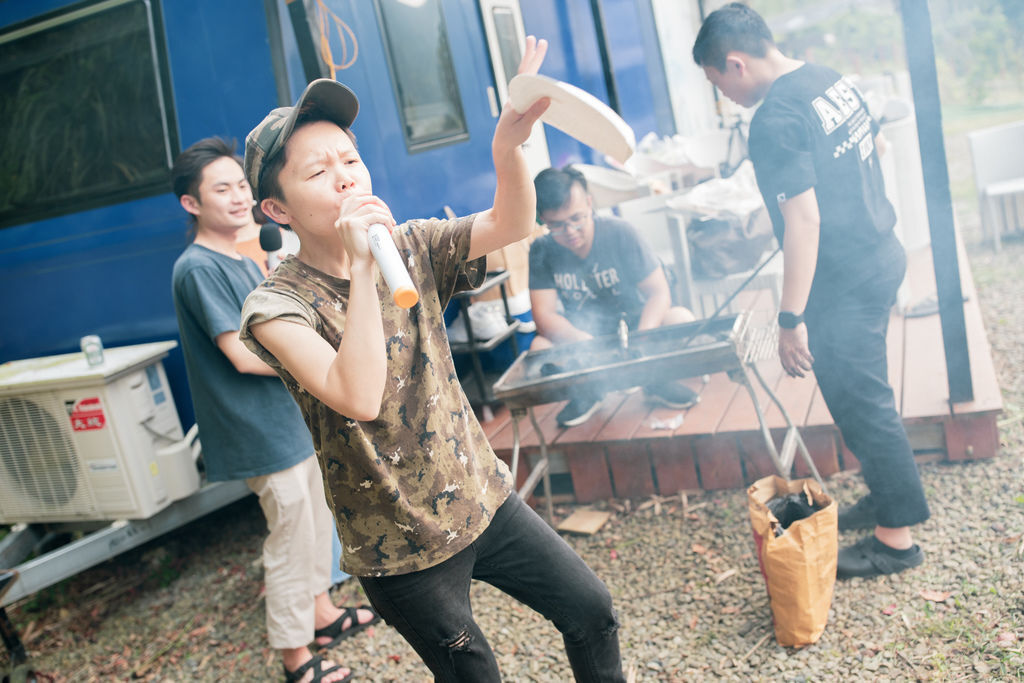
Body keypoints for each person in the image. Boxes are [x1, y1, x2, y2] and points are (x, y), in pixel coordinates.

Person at [238, 38, 626, 681]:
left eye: (352, 160)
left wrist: (509, 148)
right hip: (398, 546)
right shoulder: (275, 307)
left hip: (481, 496)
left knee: (593, 611)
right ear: (277, 209)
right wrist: (363, 264)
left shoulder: (412, 245)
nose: (346, 177)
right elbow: (357, 395)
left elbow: (510, 224)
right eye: (317, 172)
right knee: (475, 673)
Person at [693, 3, 930, 579]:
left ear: (735, 63)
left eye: (717, 83)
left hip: (845, 282)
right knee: (858, 400)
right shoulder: (828, 79)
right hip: (878, 253)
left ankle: (895, 542)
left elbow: (805, 221)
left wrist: (789, 316)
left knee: (864, 406)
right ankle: (885, 497)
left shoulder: (773, 120)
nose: (724, 95)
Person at [170, 137, 378, 683]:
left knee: (313, 526)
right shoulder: (197, 268)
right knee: (289, 538)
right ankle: (294, 657)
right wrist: (321, 363)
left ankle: (323, 616)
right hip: (255, 430)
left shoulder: (242, 254)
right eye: (222, 189)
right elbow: (241, 354)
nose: (239, 198)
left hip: (286, 423)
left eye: (241, 185)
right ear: (191, 203)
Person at [528, 165, 700, 427]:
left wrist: (643, 336)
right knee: (540, 348)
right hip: (586, 340)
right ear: (543, 219)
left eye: (577, 219)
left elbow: (658, 292)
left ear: (588, 203)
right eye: (558, 226)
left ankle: (654, 380)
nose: (571, 231)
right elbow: (544, 315)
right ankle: (589, 391)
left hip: (636, 328)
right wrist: (583, 341)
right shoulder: (542, 250)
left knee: (680, 318)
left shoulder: (621, 233)